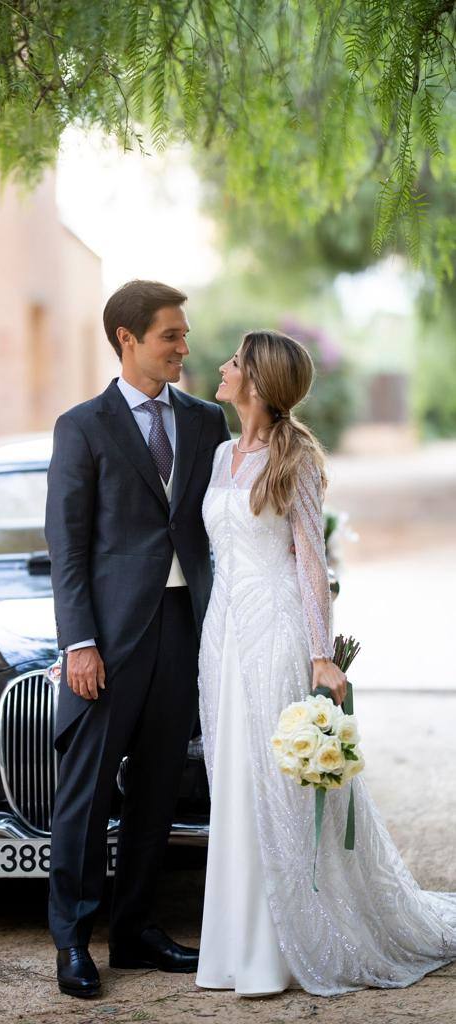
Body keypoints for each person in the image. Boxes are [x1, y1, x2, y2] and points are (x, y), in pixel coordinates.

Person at [196, 329, 456, 997]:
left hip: (276, 629)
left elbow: (311, 564)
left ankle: (278, 947)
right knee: (231, 778)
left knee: (278, 784)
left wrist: (320, 655)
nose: (221, 369)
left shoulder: (296, 458)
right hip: (220, 635)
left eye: (232, 362)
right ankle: (234, 944)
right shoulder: (221, 453)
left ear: (255, 379)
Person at [45, 280, 229, 998]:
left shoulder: (205, 420)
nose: (184, 347)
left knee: (158, 787)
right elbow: (68, 546)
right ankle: (72, 943)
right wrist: (79, 643)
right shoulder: (81, 426)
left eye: (183, 335)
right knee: (85, 797)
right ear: (127, 339)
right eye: (170, 336)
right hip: (108, 641)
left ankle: (135, 931)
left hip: (186, 629)